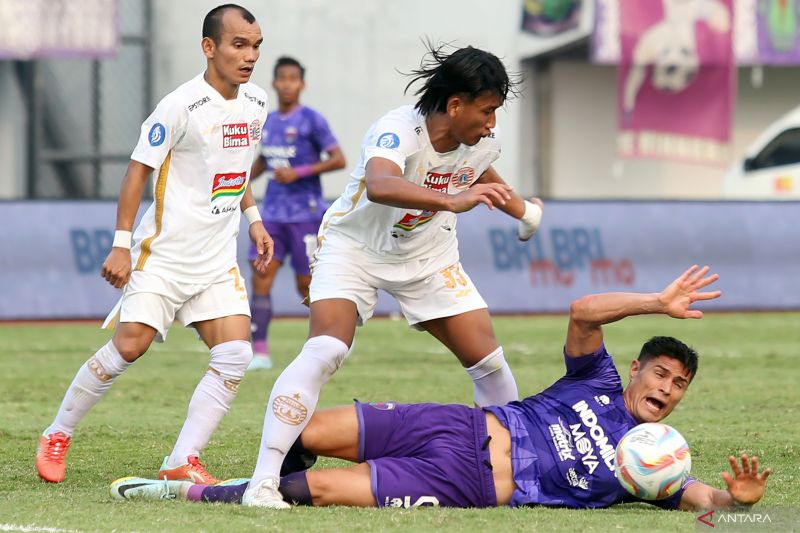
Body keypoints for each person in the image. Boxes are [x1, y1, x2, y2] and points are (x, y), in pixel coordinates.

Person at [110, 265, 772, 511]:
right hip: (456, 426)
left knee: (313, 489)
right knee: (308, 431)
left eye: (680, 384)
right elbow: (583, 311)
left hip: (471, 485)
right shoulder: (596, 376)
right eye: (660, 372)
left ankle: (195, 490)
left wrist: (735, 502)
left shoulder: (651, 461)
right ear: (637, 371)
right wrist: (656, 300)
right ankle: (253, 477)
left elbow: (698, 496)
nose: (667, 388)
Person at [237, 43, 546, 507]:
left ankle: (508, 472)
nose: (492, 123)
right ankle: (263, 481)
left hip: (429, 255)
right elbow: (381, 185)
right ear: (455, 104)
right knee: (325, 350)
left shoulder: (482, 141)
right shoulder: (397, 129)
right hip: (353, 247)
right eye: (487, 111)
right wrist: (450, 200)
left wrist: (524, 211)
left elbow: (480, 169)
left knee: (490, 365)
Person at [35, 4, 272, 485]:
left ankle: (181, 459)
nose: (249, 56)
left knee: (236, 354)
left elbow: (238, 168)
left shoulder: (258, 103)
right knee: (129, 346)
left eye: (256, 46)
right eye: (238, 44)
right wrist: (121, 244)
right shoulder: (180, 104)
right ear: (209, 48)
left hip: (216, 261)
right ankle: (57, 432)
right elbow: (137, 170)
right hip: (162, 257)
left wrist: (254, 219)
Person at [247, 56, 346, 371]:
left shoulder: (312, 121)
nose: (287, 84)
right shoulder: (268, 122)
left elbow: (338, 159)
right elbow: (264, 160)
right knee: (261, 277)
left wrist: (300, 172)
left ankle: (330, 342)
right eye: (282, 78)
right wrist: (241, 179)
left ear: (301, 84)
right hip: (272, 214)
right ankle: (259, 351)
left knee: (307, 285)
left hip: (306, 214)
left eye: (293, 79)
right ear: (274, 83)